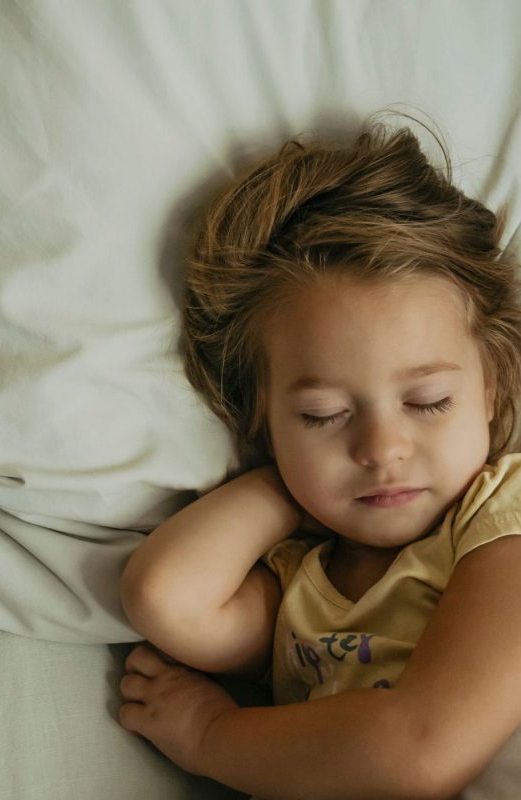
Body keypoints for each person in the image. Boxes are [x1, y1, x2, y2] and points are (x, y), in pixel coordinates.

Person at [117, 120, 521, 799]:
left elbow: (420, 752)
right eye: (323, 415)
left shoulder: (500, 520)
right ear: (263, 422)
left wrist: (212, 737)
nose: (381, 449)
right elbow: (163, 597)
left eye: (426, 401)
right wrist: (289, 481)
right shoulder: (299, 583)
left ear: (491, 390)